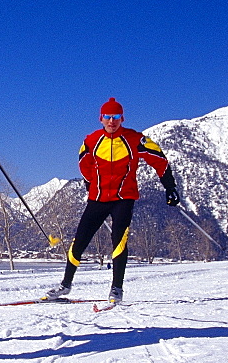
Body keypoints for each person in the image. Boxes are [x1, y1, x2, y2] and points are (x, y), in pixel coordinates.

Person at [44, 98, 179, 305]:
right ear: (101, 118)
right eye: (108, 117)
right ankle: (65, 285)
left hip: (123, 198)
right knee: (79, 241)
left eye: (116, 117)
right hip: (98, 198)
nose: (112, 121)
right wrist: (90, 181)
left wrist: (169, 186)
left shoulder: (135, 139)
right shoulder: (92, 140)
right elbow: (83, 162)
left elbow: (159, 159)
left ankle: (116, 288)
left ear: (122, 118)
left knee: (119, 241)